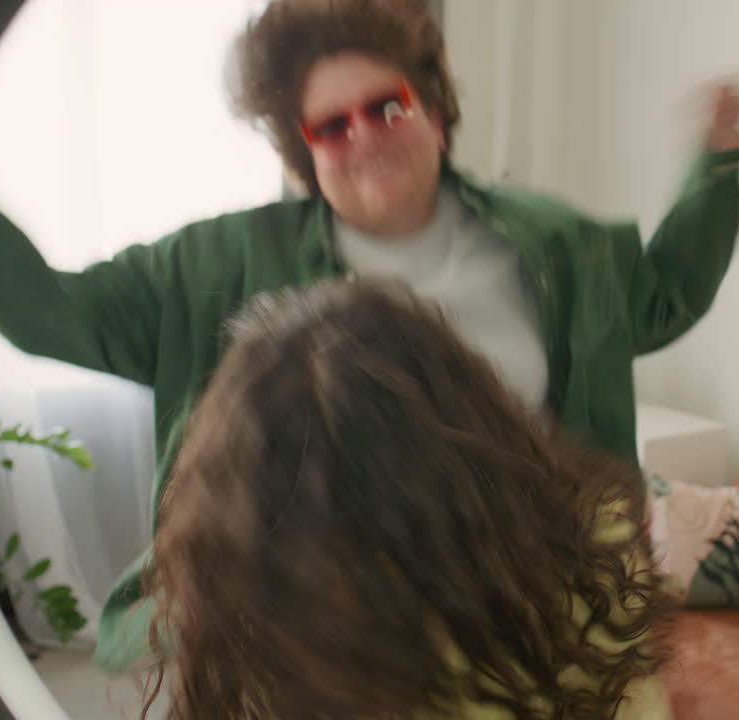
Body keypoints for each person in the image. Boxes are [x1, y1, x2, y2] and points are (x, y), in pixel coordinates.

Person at [0, 0, 739, 671]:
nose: (363, 136)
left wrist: (714, 175)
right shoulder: (218, 266)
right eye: (330, 125)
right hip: (321, 642)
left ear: (434, 112)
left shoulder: (557, 247)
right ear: (305, 152)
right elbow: (48, 313)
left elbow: (657, 303)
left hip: (523, 609)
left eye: (386, 105)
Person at [139, 279, 676, 720]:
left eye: (385, 555)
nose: (348, 590)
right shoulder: (248, 607)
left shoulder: (586, 552)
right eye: (314, 568)